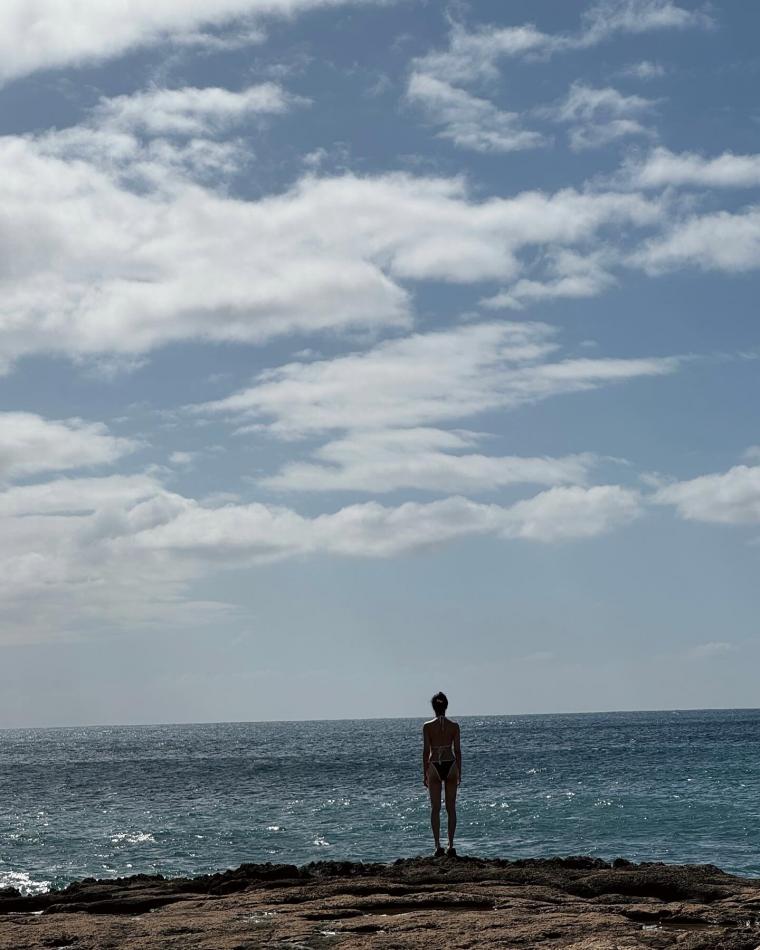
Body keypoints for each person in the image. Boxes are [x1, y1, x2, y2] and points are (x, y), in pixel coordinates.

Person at [422, 691, 461, 857]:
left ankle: (437, 846)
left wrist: (425, 772)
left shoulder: (427, 726)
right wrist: (459, 771)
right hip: (450, 764)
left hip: (434, 766)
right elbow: (457, 751)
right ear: (446, 706)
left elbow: (426, 751)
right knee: (451, 808)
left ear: (434, 707)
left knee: (435, 808)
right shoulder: (454, 726)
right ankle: (450, 845)